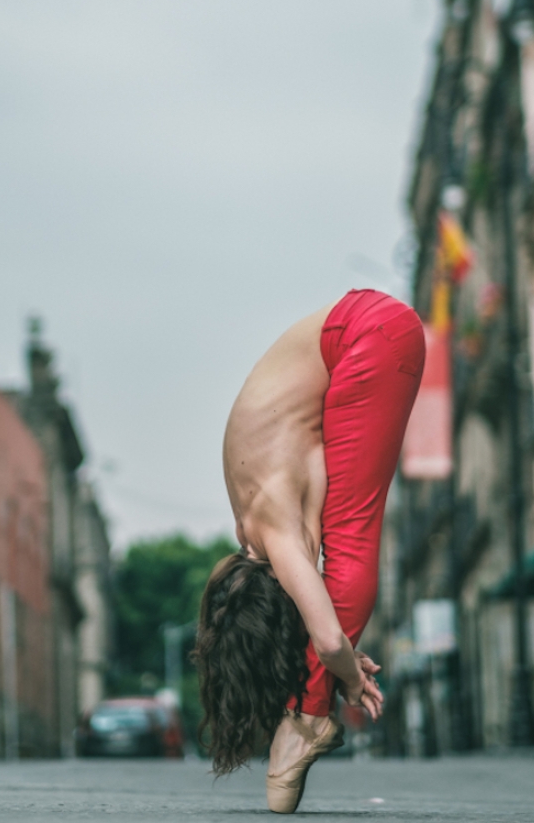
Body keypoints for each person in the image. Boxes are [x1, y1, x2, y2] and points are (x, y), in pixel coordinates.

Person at [193, 289, 425, 814]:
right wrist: (339, 651)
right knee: (345, 538)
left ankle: (305, 721)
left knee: (349, 543)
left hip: (370, 338)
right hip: (366, 329)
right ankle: (307, 717)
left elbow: (323, 632)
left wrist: (342, 666)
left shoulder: (273, 534)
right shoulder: (248, 508)